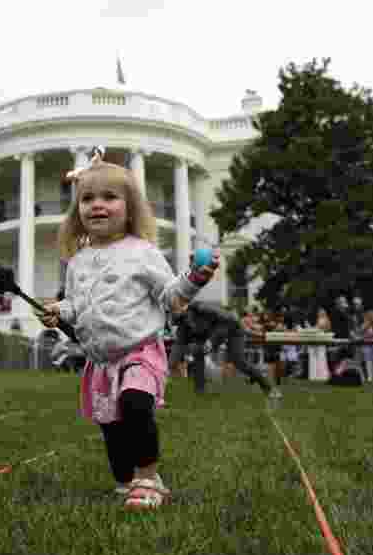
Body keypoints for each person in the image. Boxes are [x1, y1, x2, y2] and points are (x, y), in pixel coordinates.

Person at [35, 160, 220, 510]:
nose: (97, 205)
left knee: (136, 405)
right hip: (101, 361)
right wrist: (59, 310)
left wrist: (194, 279)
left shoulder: (143, 252)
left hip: (139, 351)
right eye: (87, 198)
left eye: (110, 197)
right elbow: (77, 303)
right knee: (113, 431)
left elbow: (170, 296)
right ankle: (126, 481)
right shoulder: (78, 262)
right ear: (78, 211)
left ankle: (149, 479)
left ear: (131, 208)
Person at [172, 299, 279, 399]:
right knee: (198, 352)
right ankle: (200, 391)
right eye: (182, 320)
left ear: (189, 311)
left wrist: (211, 341)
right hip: (211, 335)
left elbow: (226, 322)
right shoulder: (183, 326)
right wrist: (168, 366)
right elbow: (178, 346)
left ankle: (268, 388)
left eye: (186, 317)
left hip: (232, 329)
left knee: (239, 361)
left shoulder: (203, 308)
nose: (187, 322)